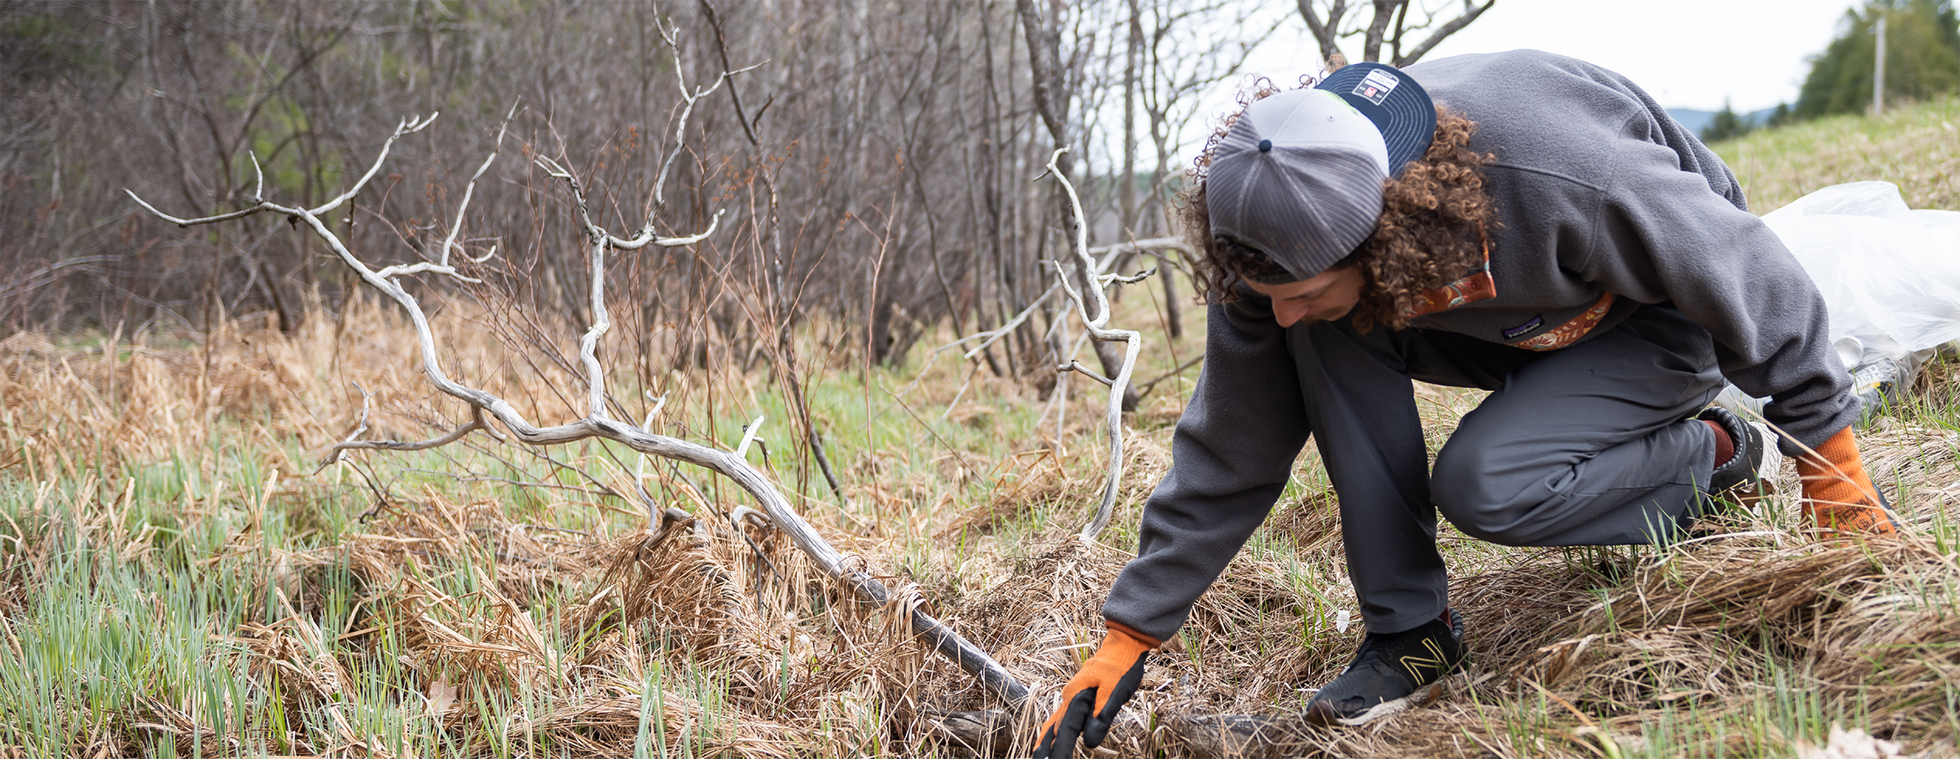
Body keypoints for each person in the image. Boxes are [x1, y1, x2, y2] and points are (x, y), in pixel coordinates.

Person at [1032, 50, 1902, 758]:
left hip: (1664, 316)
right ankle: (1411, 634)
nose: (1281, 311)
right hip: (1513, 325)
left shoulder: (1560, 169)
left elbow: (1747, 270)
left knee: (1488, 483)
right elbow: (1236, 442)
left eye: (1303, 290)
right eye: (1271, 296)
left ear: (1385, 232)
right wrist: (1130, 631)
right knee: (1318, 334)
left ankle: (1714, 453)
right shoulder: (1274, 229)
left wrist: (1832, 469)